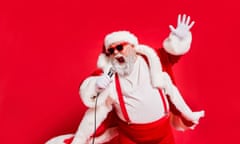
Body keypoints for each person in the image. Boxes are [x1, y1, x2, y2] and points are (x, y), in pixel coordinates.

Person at [46, 14, 204, 144]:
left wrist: (178, 40)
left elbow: (171, 54)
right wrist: (96, 85)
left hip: (162, 132)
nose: (116, 53)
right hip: (131, 136)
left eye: (120, 47)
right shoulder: (109, 74)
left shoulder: (152, 60)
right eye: (111, 51)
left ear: (132, 47)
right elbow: (89, 91)